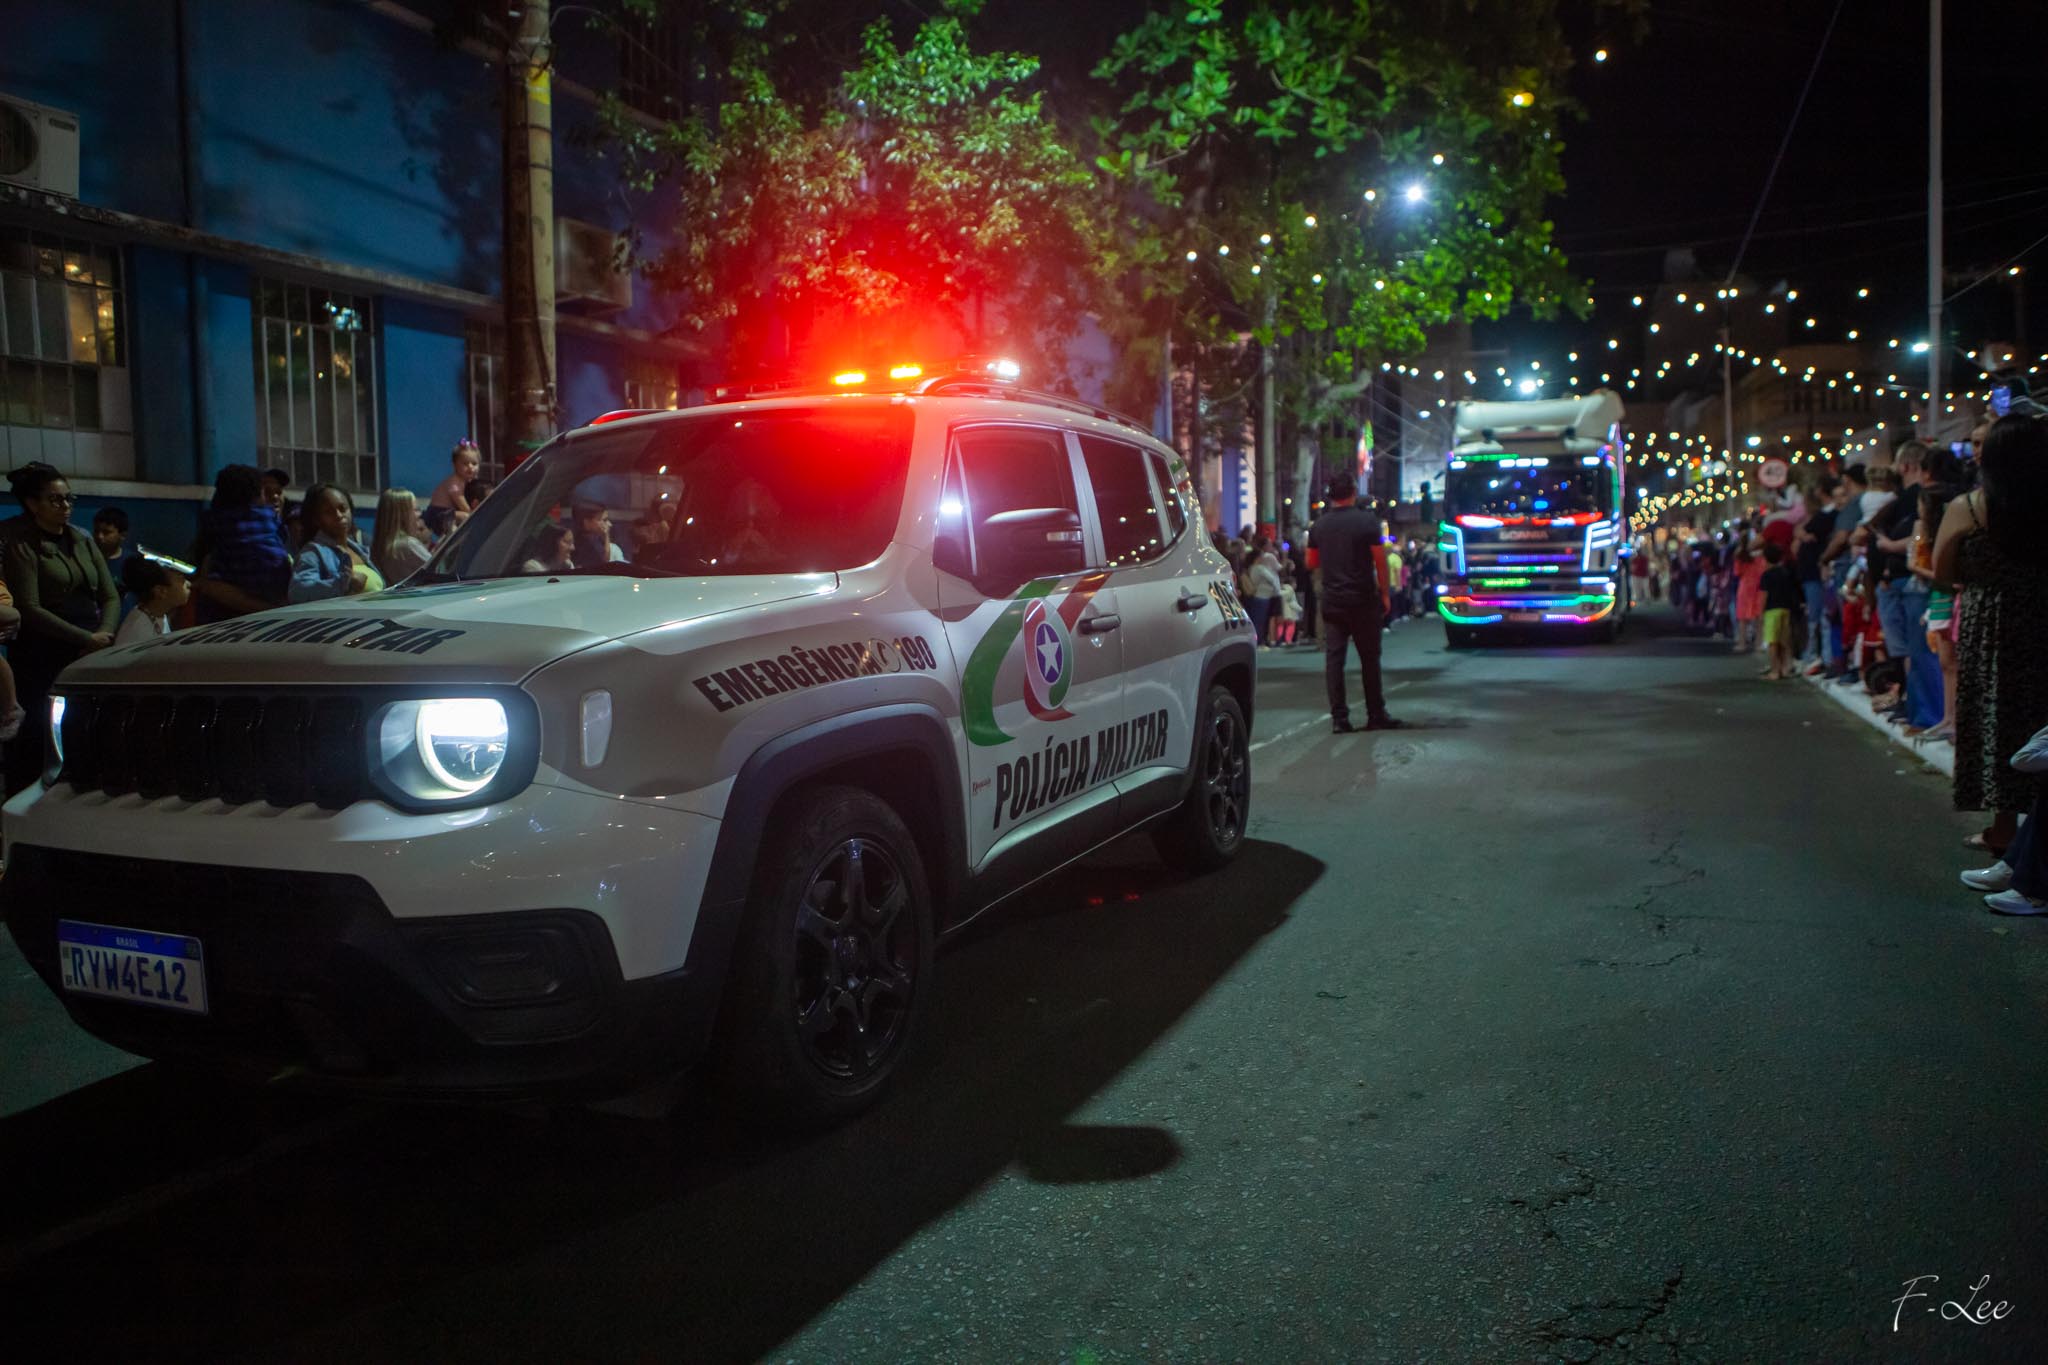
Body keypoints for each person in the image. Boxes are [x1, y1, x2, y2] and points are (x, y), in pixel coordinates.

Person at [1934, 411, 2048, 865]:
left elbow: (1942, 571)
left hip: (1990, 625)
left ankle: (2002, 830)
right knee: (2037, 725)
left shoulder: (1968, 508)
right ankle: (2035, 835)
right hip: (2040, 617)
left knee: (1995, 721)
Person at [1, 463, 119, 794]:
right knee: (38, 733)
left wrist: (105, 634)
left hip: (91, 646)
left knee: (86, 727)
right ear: (32, 503)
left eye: (69, 498)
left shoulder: (81, 538)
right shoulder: (20, 541)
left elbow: (109, 594)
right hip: (43, 651)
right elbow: (30, 607)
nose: (66, 506)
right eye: (55, 500)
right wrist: (86, 638)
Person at [1306, 471, 1403, 733]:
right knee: (1369, 659)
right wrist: (1385, 594)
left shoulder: (1319, 526)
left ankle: (1339, 718)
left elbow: (1310, 562)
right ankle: (1375, 714)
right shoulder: (1367, 522)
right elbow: (1380, 561)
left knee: (1334, 660)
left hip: (1333, 599)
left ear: (1330, 495)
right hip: (1363, 599)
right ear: (1353, 493)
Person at [190, 464, 292, 623]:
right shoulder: (266, 531)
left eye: (278, 492)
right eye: (266, 492)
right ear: (257, 495)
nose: (274, 498)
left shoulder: (214, 529)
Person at [289, 484, 384, 602]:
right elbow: (298, 591)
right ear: (316, 519)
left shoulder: (359, 550)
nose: (339, 515)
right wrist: (343, 583)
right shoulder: (313, 553)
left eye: (343, 508)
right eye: (329, 512)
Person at [114, 552, 192, 645]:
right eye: (181, 580)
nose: (189, 584)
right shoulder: (136, 632)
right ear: (161, 591)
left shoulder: (158, 614)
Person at [1756, 542, 1800, 681]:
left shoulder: (1766, 575)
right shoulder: (1785, 573)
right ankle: (1785, 668)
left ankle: (1775, 670)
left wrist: (1760, 613)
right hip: (1785, 609)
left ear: (1765, 559)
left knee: (1772, 642)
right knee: (1784, 641)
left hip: (1771, 611)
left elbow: (1764, 595)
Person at [369, 488, 433, 583]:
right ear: (402, 515)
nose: (419, 514)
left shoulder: (381, 546)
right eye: (415, 510)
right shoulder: (408, 544)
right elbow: (440, 570)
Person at [425, 438, 483, 537]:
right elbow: (462, 505)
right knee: (466, 516)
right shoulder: (454, 482)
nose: (470, 467)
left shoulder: (464, 481)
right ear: (454, 465)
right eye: (465, 464)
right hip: (438, 514)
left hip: (446, 513)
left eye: (474, 464)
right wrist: (472, 513)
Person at [1242, 533, 1283, 646]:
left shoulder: (1251, 568)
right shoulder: (1260, 568)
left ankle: (1259, 641)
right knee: (1260, 621)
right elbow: (1272, 579)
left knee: (1257, 620)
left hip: (1258, 596)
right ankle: (1259, 642)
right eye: (1260, 557)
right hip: (1263, 597)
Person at [1731, 535, 1765, 653]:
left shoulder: (1740, 555)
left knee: (1742, 617)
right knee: (1759, 617)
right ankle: (1759, 644)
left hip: (1745, 587)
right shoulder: (1761, 556)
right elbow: (1763, 571)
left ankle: (1742, 643)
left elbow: (1737, 572)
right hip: (1758, 587)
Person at [572, 502, 626, 569]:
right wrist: (606, 535)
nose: (609, 524)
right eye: (604, 520)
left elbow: (606, 558)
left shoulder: (595, 539)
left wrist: (606, 535)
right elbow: (604, 562)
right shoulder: (579, 544)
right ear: (587, 522)